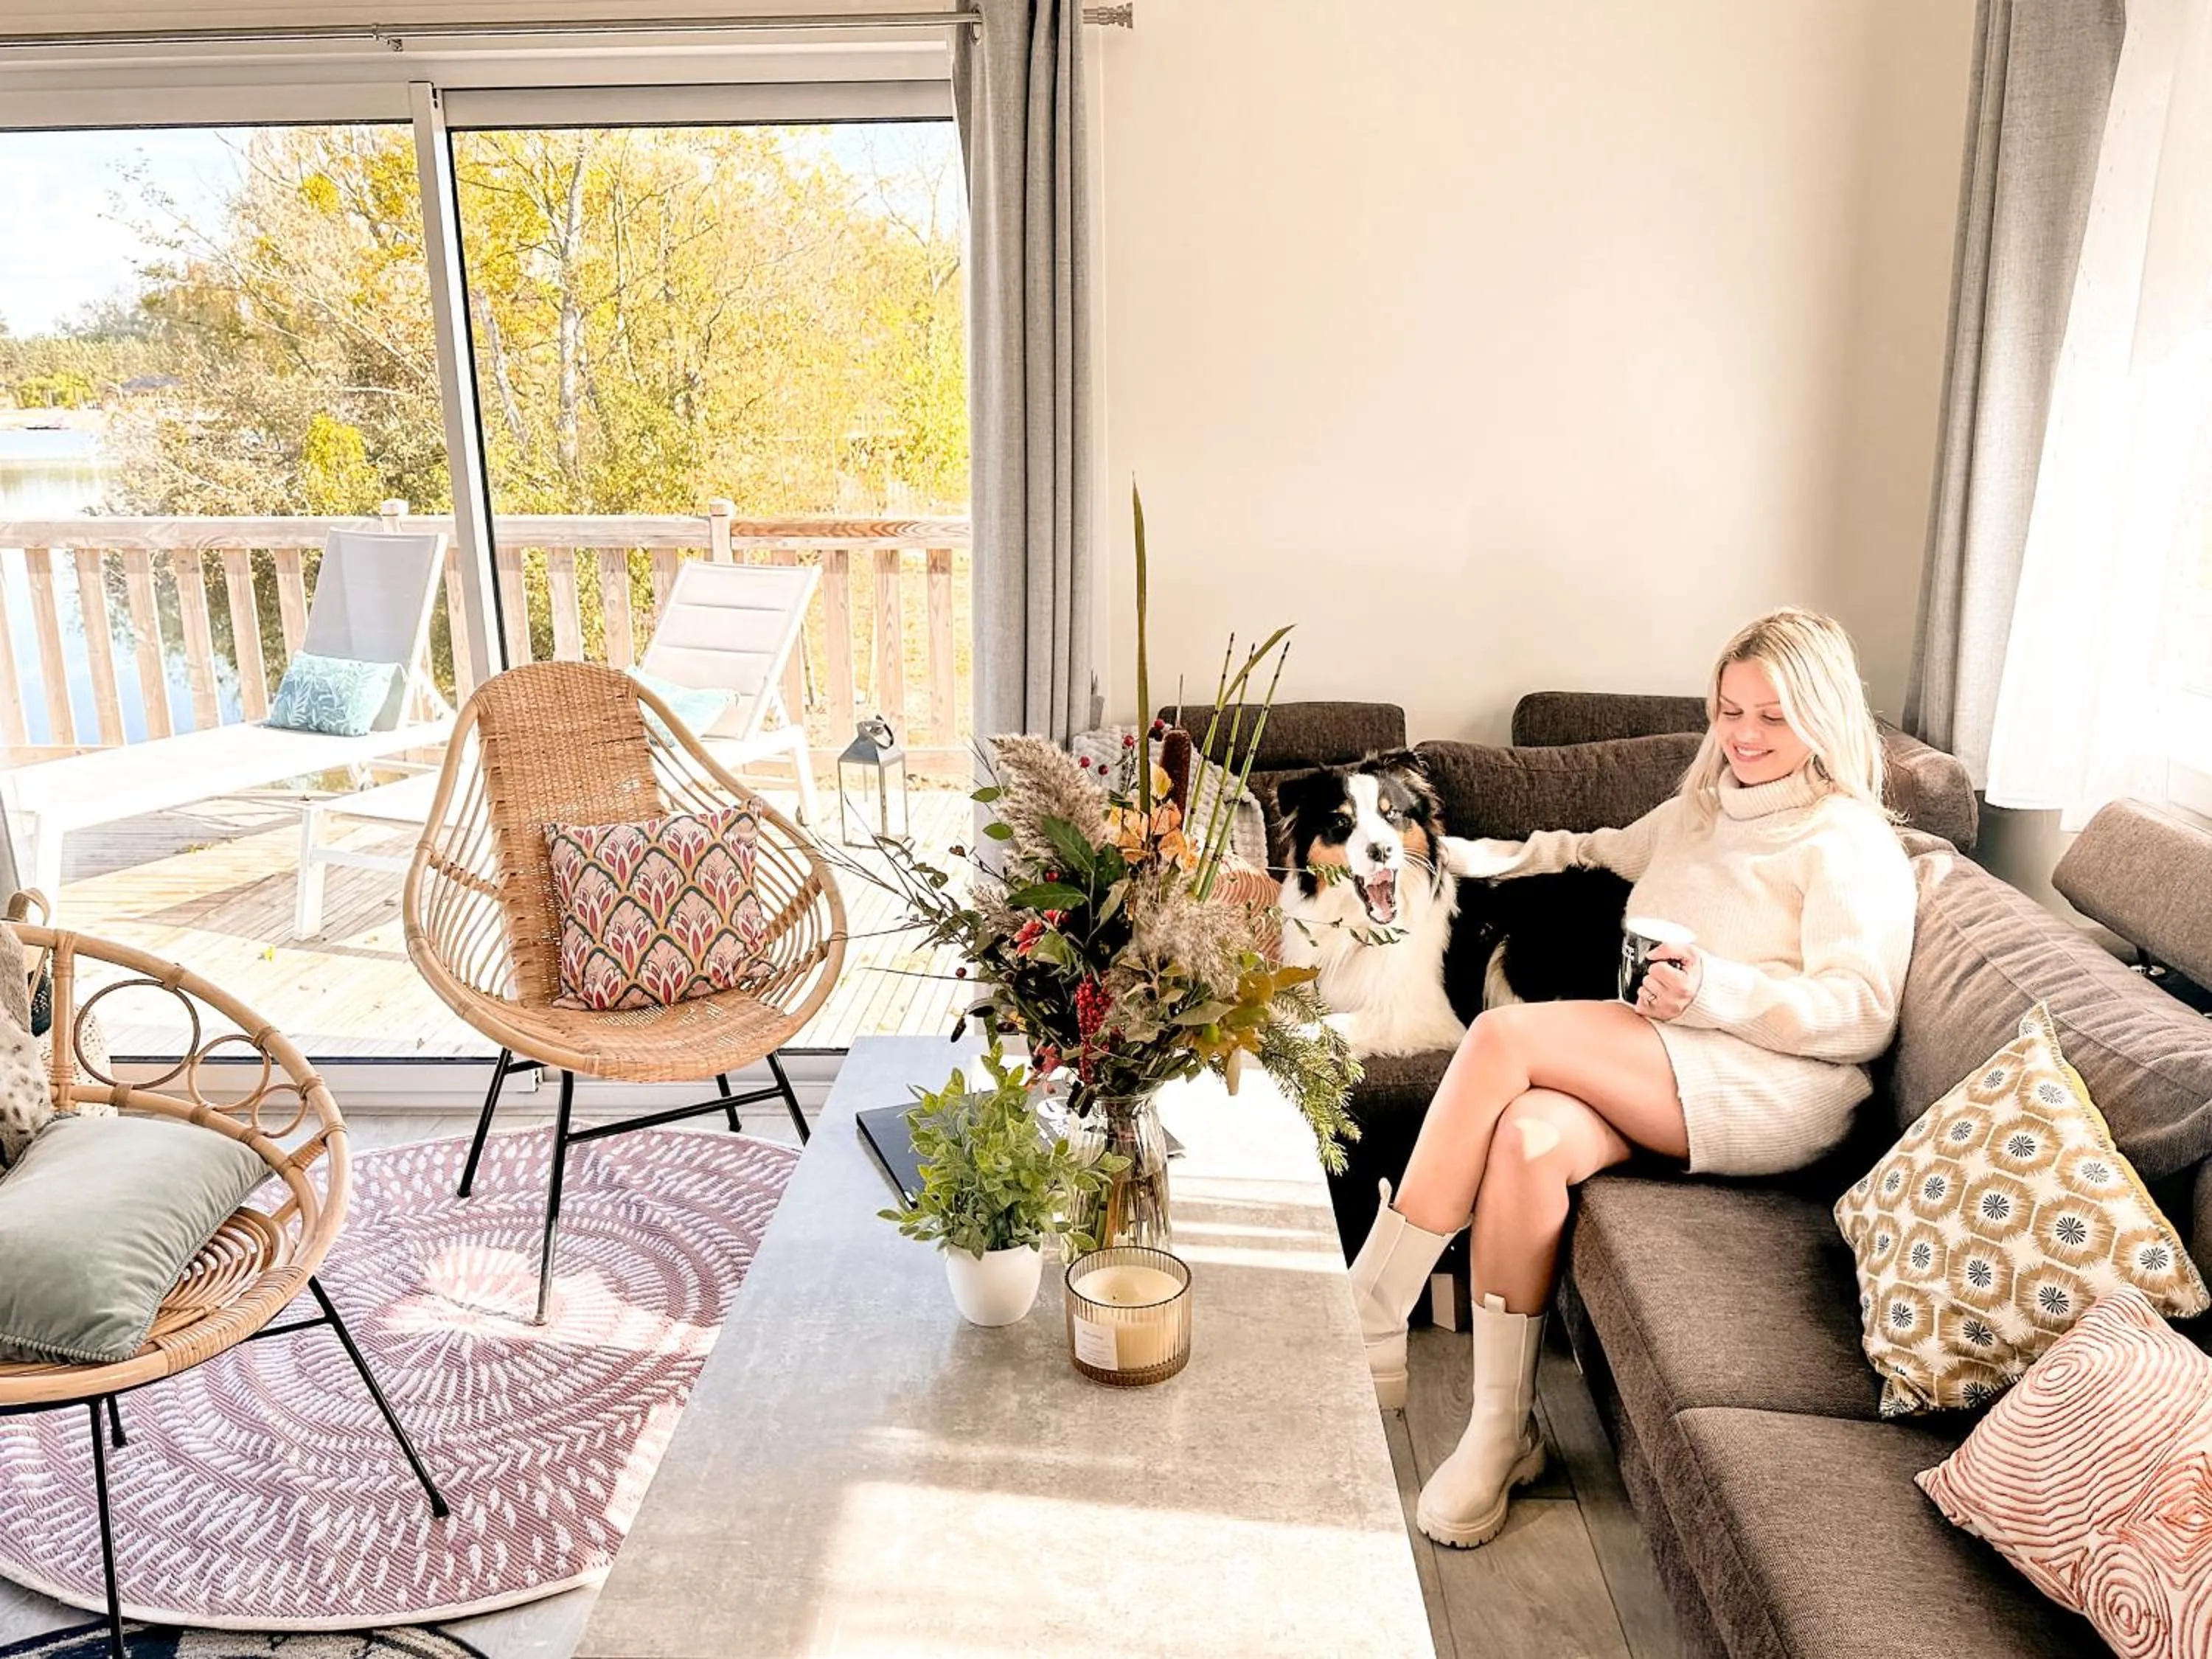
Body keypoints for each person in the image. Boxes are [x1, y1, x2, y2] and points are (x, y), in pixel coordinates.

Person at [1347, 608, 1917, 1549]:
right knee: (1528, 1138)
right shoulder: (1705, 808)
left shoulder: (1848, 841)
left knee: (1500, 1044)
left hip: (1776, 1082)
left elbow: (1861, 1010)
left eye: (1771, 716)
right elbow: (1587, 849)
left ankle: (1372, 1309)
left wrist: (1715, 991)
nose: (1742, 735)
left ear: (1822, 714)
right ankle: (1505, 1430)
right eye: (1729, 710)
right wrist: (1445, 857)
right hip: (1672, 1057)